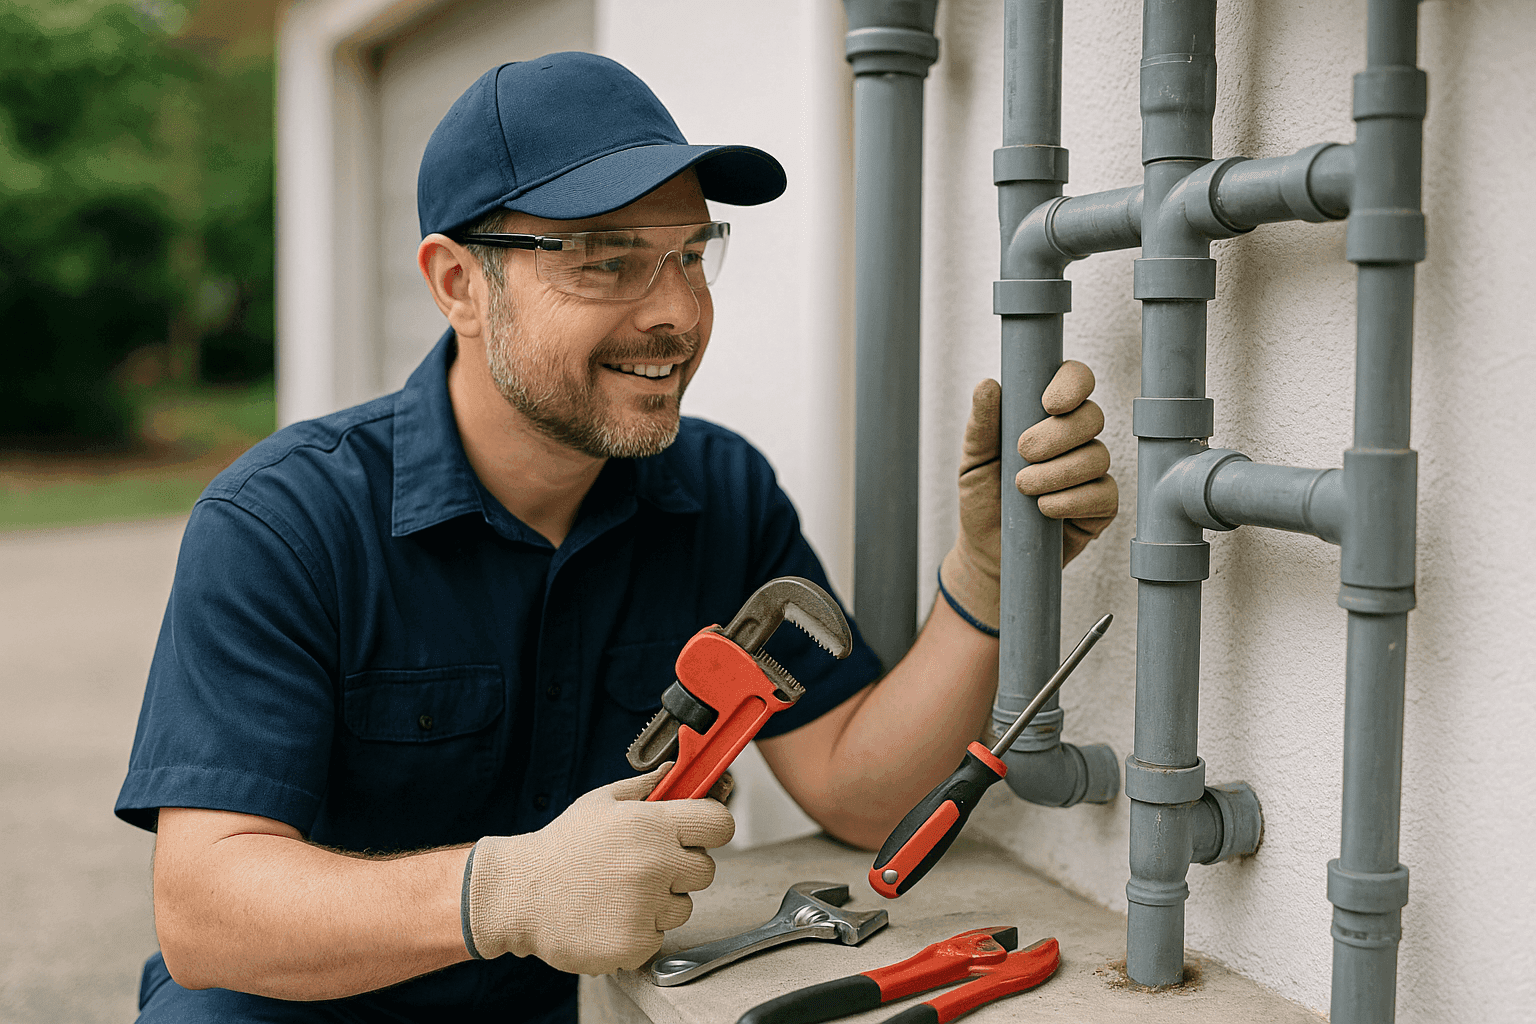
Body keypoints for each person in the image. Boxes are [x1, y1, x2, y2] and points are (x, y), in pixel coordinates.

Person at [117, 52, 1118, 1023]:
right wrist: (507, 892)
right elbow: (206, 911)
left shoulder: (719, 493)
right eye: (608, 261)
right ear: (459, 284)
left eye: (692, 255)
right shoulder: (284, 525)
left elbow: (858, 793)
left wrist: (989, 574)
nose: (678, 312)